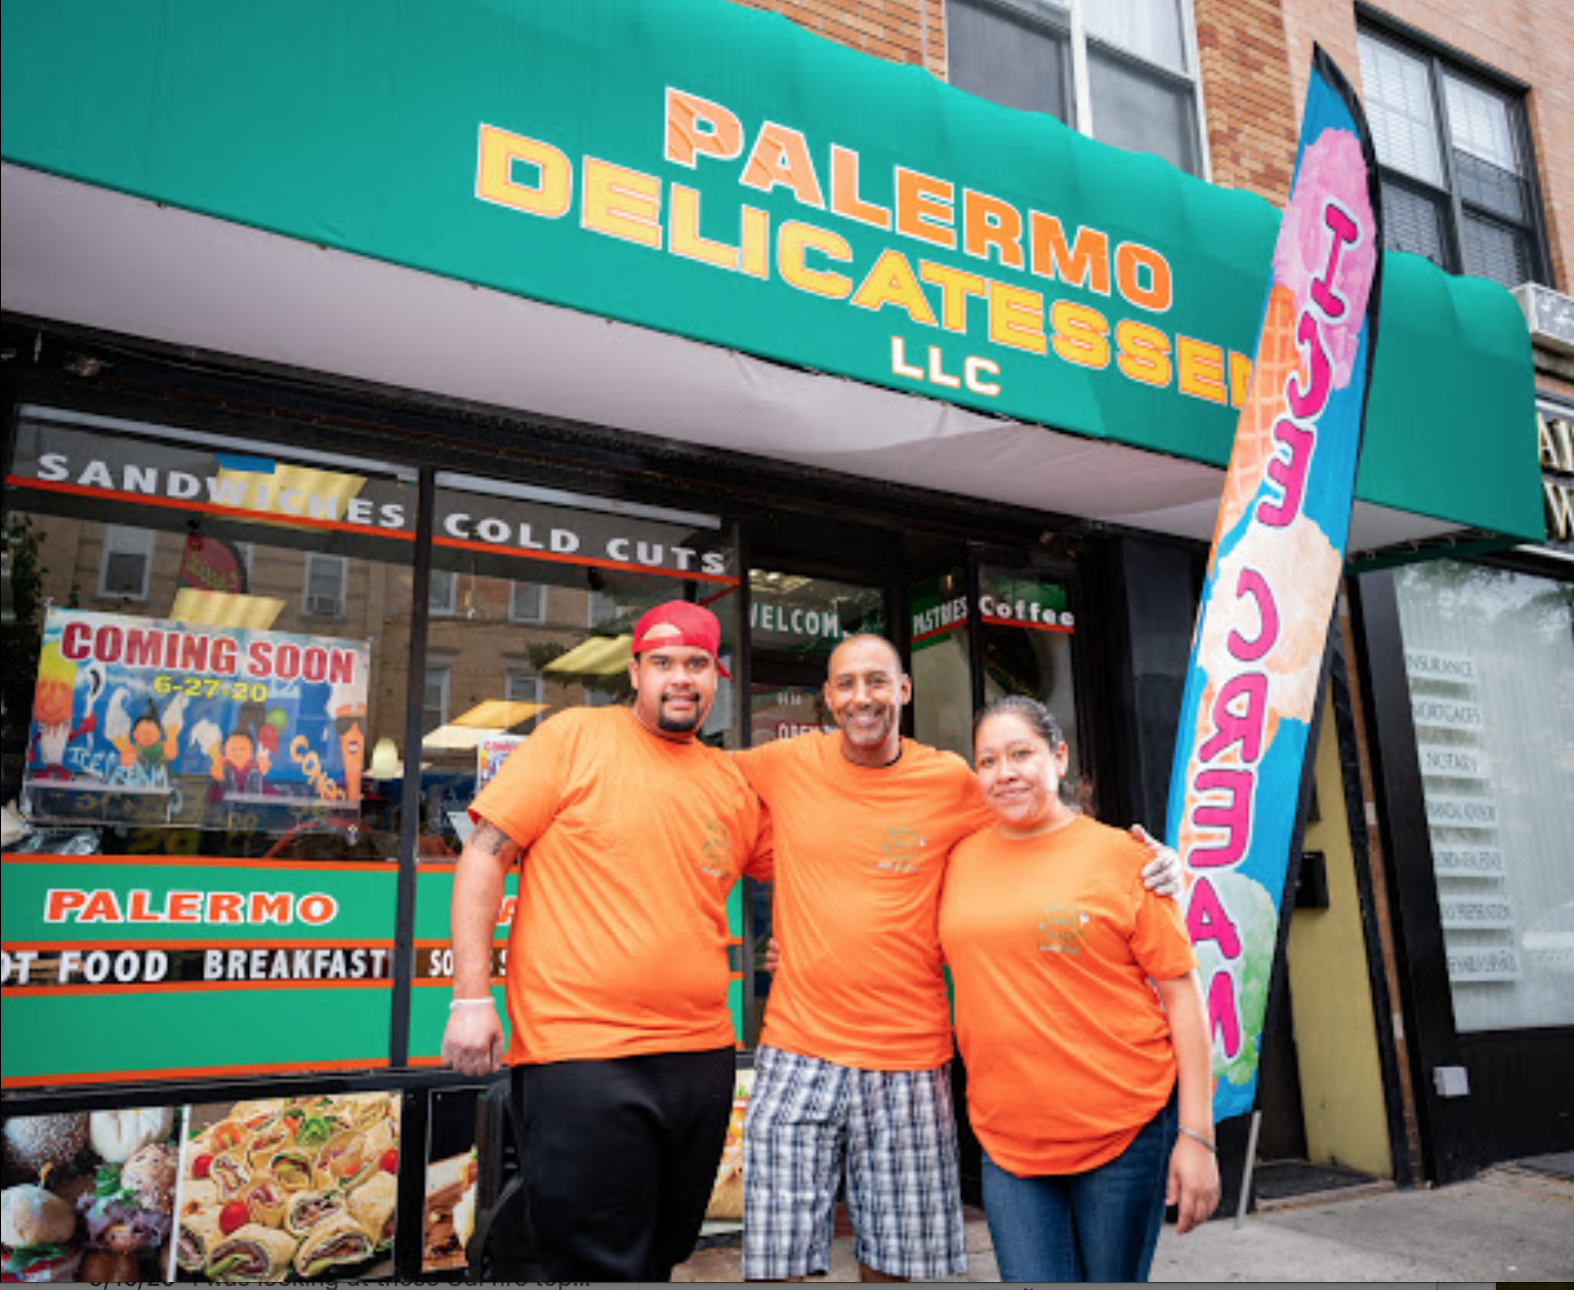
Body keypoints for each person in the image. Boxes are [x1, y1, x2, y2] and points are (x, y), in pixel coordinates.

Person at [735, 634, 1180, 1282]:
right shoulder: (783, 763)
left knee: (901, 1268)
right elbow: (693, 791)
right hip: (798, 1046)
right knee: (775, 1266)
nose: (864, 697)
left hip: (912, 1058)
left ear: (904, 691)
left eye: (878, 681)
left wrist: (1159, 862)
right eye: (848, 683)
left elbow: (1040, 823)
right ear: (827, 698)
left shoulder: (951, 780)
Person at [440, 600, 770, 1281]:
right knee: (594, 1260)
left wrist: (792, 942)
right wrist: (469, 999)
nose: (681, 678)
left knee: (663, 1250)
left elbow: (811, 869)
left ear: (717, 677)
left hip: (701, 1058)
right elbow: (484, 854)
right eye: (664, 663)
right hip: (582, 1054)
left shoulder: (730, 782)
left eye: (697, 664)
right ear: (636, 672)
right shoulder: (575, 737)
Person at [938, 695, 1219, 1282]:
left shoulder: (1126, 858)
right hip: (1007, 1136)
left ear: (1058, 757)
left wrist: (1198, 1135)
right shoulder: (958, 858)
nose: (1004, 772)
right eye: (987, 761)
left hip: (1123, 1130)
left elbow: (1183, 998)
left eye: (1021, 754)